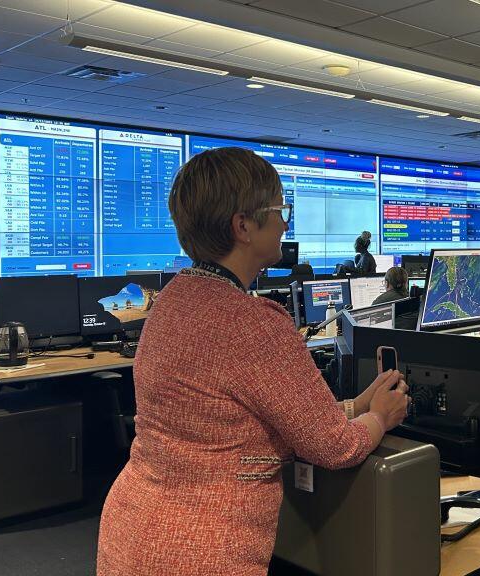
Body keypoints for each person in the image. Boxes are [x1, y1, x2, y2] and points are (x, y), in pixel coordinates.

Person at [97, 147, 410, 576]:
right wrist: (380, 418)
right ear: (243, 226)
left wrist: (357, 406)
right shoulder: (252, 324)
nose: (285, 222)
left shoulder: (171, 301)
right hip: (202, 549)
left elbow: (237, 421)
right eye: (280, 209)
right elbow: (335, 448)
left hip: (133, 529)